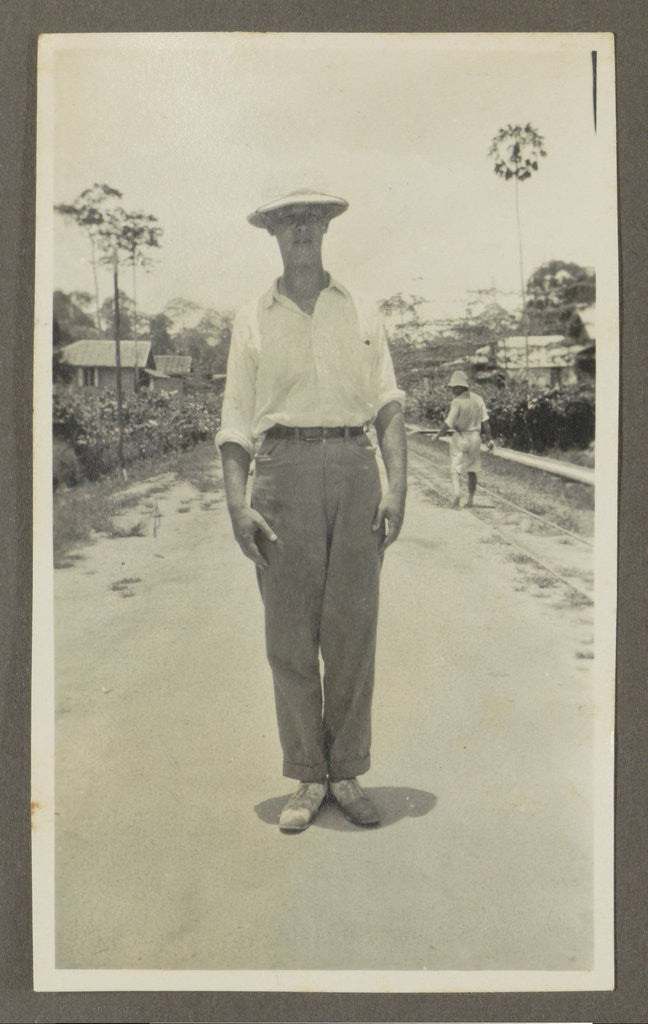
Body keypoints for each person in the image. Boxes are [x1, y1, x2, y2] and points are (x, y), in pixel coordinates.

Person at [215, 189, 407, 833]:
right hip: (282, 471)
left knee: (352, 630)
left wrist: (397, 487)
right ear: (272, 233)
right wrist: (237, 505)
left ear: (326, 228)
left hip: (354, 467)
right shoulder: (252, 318)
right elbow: (236, 417)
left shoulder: (361, 308)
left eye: (311, 219)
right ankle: (306, 775)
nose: (301, 229)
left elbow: (388, 404)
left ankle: (346, 772)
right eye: (288, 221)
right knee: (290, 635)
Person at [434, 369, 493, 509]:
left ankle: (457, 494)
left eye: (455, 387)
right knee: (472, 469)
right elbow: (485, 422)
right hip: (475, 437)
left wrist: (438, 435)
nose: (453, 390)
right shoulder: (478, 399)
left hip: (460, 436)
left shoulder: (457, 401)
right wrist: (490, 439)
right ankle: (470, 500)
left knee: (455, 467)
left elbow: (448, 423)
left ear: (461, 387)